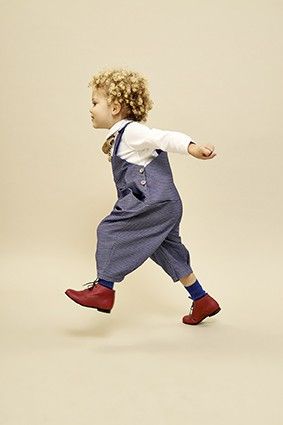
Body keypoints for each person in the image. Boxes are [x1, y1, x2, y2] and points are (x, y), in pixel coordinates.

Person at [65, 68, 221, 325]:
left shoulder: (132, 132)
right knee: (166, 250)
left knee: (110, 230)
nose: (90, 108)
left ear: (115, 107)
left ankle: (104, 289)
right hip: (166, 204)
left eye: (95, 103)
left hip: (151, 201)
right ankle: (202, 299)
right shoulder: (121, 137)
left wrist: (192, 147)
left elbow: (164, 137)